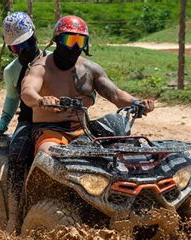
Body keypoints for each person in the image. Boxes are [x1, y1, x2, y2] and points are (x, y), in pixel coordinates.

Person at [20, 16, 155, 155]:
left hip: (83, 130)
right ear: (57, 40)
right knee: (49, 153)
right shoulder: (40, 67)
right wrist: (40, 100)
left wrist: (137, 103)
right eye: (70, 40)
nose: (75, 46)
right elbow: (27, 92)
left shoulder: (91, 69)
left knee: (119, 141)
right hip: (49, 131)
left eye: (80, 41)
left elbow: (115, 94)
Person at [0, 12, 47, 234]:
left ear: (34, 36)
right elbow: (10, 101)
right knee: (16, 154)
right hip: (30, 121)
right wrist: (1, 128)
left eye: (26, 43)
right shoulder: (12, 71)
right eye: (16, 48)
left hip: (62, 118)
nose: (23, 51)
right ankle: (14, 215)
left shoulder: (53, 59)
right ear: (10, 49)